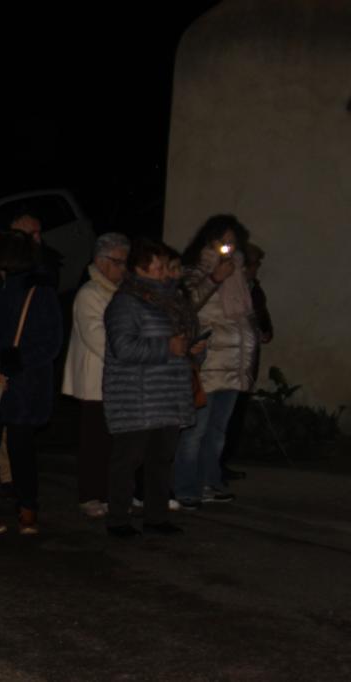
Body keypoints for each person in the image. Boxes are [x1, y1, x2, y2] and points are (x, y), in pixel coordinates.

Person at [102, 239, 205, 537]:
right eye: (158, 267)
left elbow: (179, 346)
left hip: (169, 395)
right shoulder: (126, 302)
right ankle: (118, 519)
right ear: (139, 268)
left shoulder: (172, 302)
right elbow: (123, 347)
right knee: (127, 461)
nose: (164, 272)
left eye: (164, 266)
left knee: (161, 460)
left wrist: (192, 350)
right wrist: (167, 347)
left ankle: (156, 517)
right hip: (136, 398)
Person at [0, 231, 62, 536]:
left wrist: (4, 358)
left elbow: (49, 343)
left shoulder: (40, 290)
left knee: (21, 448)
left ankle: (27, 507)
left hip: (23, 386)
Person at [173, 215, 256, 509]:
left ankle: (209, 482)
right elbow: (187, 305)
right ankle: (185, 487)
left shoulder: (239, 274)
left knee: (218, 432)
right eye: (222, 241)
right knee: (195, 431)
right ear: (208, 241)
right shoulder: (193, 271)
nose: (227, 247)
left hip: (233, 365)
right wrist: (214, 279)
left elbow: (245, 317)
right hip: (207, 363)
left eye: (232, 241)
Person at [62, 232, 130, 519]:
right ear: (101, 262)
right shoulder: (90, 294)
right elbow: (97, 338)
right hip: (95, 380)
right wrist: (131, 351)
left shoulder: (119, 292)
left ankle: (108, 493)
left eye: (125, 262)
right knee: (94, 442)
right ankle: (90, 495)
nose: (123, 268)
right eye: (118, 262)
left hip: (116, 378)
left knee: (112, 443)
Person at [221, 242, 273, 480]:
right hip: (228, 364)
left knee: (235, 417)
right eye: (254, 265)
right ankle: (213, 467)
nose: (256, 270)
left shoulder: (254, 289)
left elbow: (261, 316)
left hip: (246, 362)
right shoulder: (229, 288)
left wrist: (265, 330)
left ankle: (223, 462)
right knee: (222, 419)